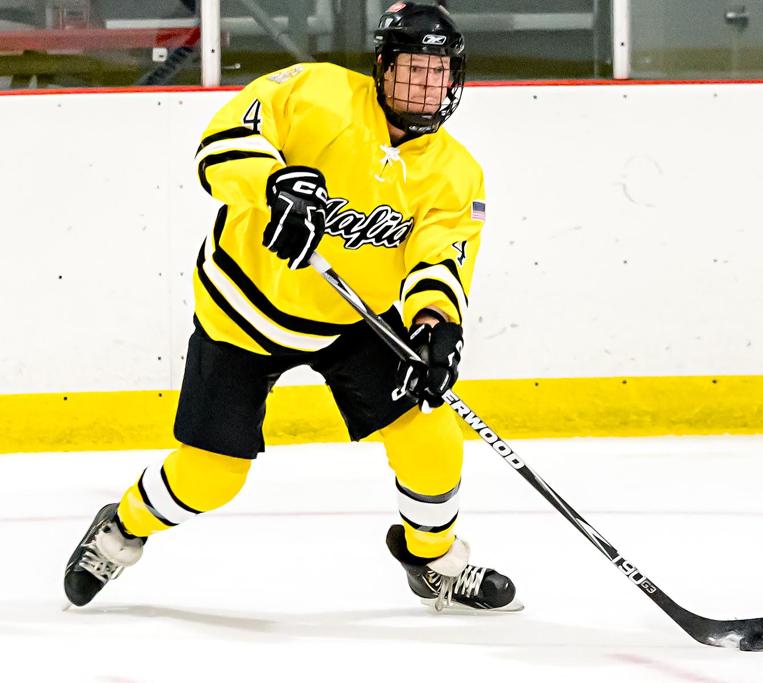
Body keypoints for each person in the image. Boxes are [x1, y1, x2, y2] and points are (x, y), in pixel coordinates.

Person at [63, 1, 520, 613]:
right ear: (383, 67)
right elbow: (222, 144)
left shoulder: (455, 172)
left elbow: (439, 260)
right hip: (242, 309)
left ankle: (433, 560)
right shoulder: (316, 92)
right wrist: (274, 187)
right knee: (211, 477)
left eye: (439, 72)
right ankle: (121, 529)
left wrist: (435, 327)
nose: (427, 85)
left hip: (353, 318)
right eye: (413, 69)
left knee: (431, 436)